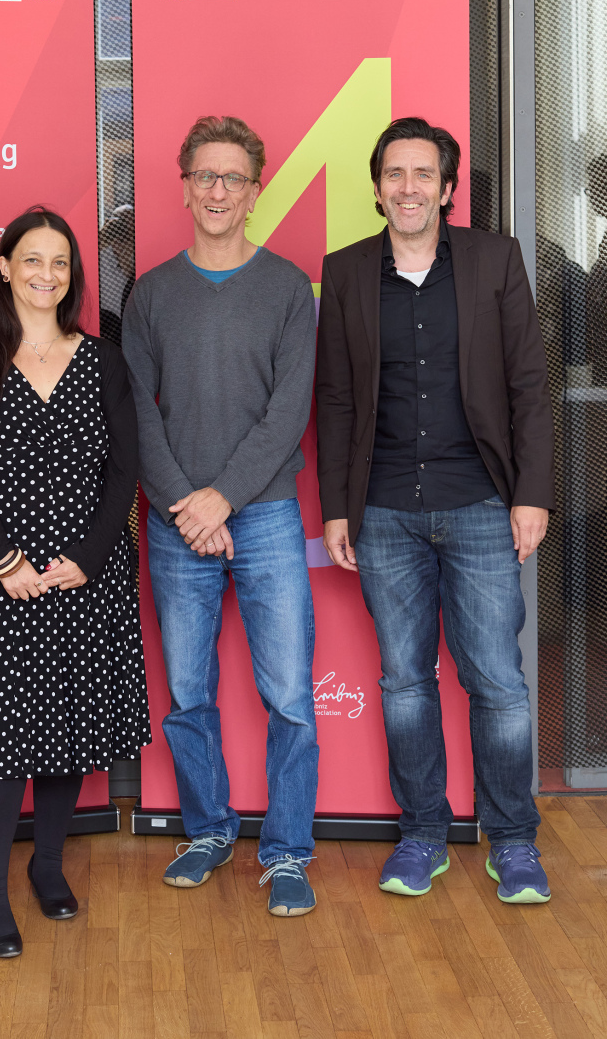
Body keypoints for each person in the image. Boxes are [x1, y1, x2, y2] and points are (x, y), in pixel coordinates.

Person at [316, 116, 555, 905]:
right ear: (378, 186)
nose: (408, 187)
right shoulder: (347, 272)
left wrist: (531, 492)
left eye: (424, 174)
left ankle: (514, 839)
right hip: (383, 510)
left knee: (497, 680)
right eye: (395, 173)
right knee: (406, 682)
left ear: (448, 188)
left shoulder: (494, 261)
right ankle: (423, 832)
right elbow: (340, 399)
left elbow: (528, 384)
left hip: (483, 502)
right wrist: (338, 508)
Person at [0, 205, 150, 958]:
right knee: (2, 743)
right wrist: (5, 562)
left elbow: (125, 466)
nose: (46, 274)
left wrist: (89, 557)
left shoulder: (103, 361)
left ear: (74, 275)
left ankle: (49, 866)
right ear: (4, 267)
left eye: (60, 263)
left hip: (83, 576)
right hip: (0, 579)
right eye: (32, 260)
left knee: (69, 728)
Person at [122, 116, 319, 918]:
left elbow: (287, 412)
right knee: (190, 690)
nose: (217, 191)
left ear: (254, 189)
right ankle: (207, 829)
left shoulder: (286, 288)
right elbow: (138, 414)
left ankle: (288, 851)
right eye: (204, 175)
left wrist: (221, 499)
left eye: (232, 178)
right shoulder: (152, 293)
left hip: (265, 514)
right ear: (183, 185)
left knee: (290, 696)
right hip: (175, 521)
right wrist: (188, 507)